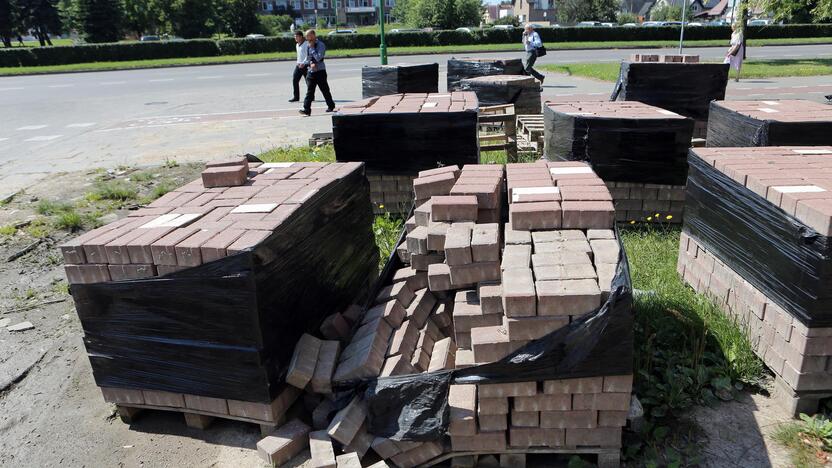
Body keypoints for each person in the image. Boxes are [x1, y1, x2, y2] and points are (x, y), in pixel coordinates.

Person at [299, 29, 336, 116]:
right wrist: (308, 63)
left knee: (324, 89)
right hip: (311, 71)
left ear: (313, 35)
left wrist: (312, 48)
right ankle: (306, 109)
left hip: (320, 71)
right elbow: (309, 58)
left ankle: (331, 105)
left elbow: (319, 57)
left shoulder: (321, 45)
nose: (307, 38)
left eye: (308, 36)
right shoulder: (308, 45)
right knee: (310, 91)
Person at [289, 30, 307, 102]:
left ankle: (311, 96)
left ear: (301, 37)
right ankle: (296, 97)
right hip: (298, 65)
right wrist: (298, 63)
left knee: (308, 82)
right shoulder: (297, 45)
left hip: (305, 65)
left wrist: (304, 63)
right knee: (295, 80)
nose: (295, 38)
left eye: (296, 36)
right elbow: (299, 56)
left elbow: (308, 55)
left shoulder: (306, 44)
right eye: (295, 37)